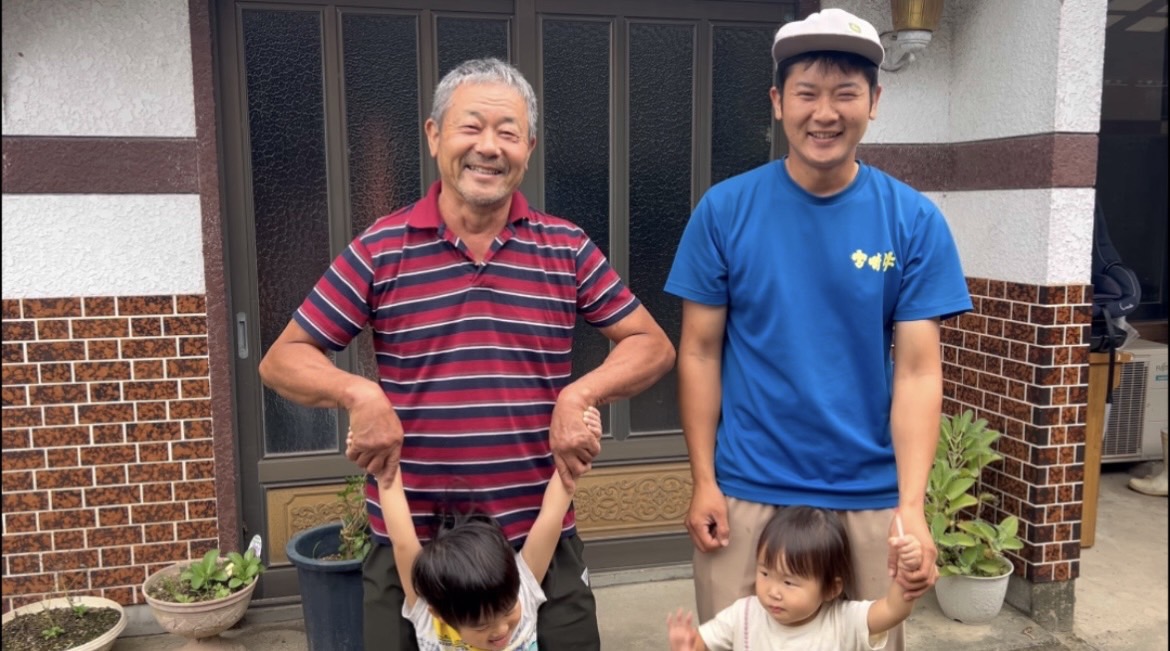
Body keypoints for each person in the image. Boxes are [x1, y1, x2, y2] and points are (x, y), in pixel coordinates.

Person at [259, 58, 675, 650]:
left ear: (528, 149)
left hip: (539, 542)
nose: (489, 147)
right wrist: (359, 393)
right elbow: (282, 359)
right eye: (471, 127)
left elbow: (651, 344)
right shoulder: (381, 248)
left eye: (508, 132)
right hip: (413, 552)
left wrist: (580, 394)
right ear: (434, 136)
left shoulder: (565, 247)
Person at [663, 9, 973, 651]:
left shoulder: (912, 221)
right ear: (778, 102)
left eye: (845, 93)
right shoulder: (724, 211)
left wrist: (911, 506)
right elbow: (699, 352)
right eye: (806, 93)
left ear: (874, 102)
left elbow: (918, 371)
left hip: (868, 494)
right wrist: (703, 480)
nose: (824, 113)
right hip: (748, 490)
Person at [375, 407, 602, 650]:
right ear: (439, 614)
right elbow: (402, 541)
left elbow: (550, 518)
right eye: (481, 625)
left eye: (508, 610)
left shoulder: (522, 591)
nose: (501, 629)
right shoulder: (430, 621)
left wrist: (579, 449)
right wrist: (383, 463)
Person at [666, 506, 924, 650]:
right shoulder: (744, 615)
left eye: (789, 582)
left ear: (831, 588)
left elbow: (893, 610)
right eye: (765, 573)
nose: (773, 591)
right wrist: (688, 645)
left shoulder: (844, 620)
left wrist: (907, 570)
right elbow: (704, 642)